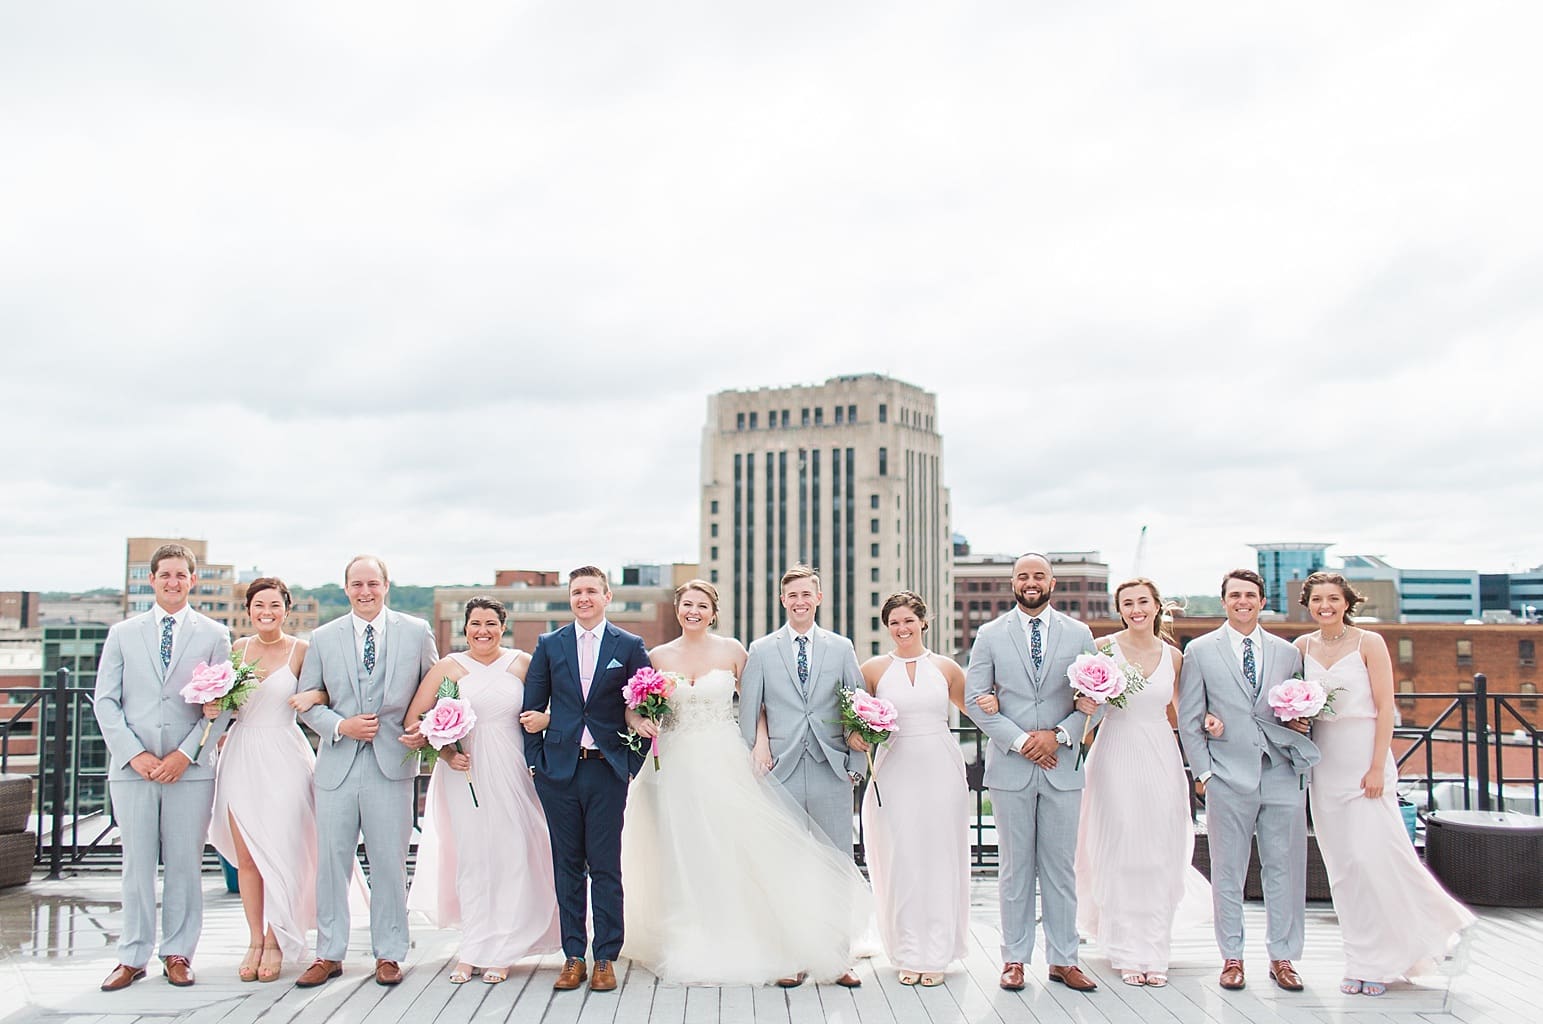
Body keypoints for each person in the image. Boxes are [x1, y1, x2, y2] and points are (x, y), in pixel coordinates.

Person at [620, 580, 872, 985]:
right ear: (678, 608)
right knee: (681, 852)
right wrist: (640, 722)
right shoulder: (658, 655)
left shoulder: (735, 650)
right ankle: (688, 934)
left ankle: (801, 943)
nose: (694, 611)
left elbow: (758, 702)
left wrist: (761, 743)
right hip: (673, 765)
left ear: (713, 612)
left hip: (723, 758)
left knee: (739, 849)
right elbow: (634, 708)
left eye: (702, 605)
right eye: (687, 604)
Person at [1297, 572, 1474, 996]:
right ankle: (1360, 959)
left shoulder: (1369, 642)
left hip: (1364, 759)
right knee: (1344, 868)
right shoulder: (1301, 647)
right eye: (1317, 599)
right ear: (1308, 604)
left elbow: (1385, 707)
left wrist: (1377, 767)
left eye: (1333, 598)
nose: (1325, 606)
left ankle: (1428, 930)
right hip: (1325, 764)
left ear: (1346, 602)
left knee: (1376, 858)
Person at [295, 555, 438, 988]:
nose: (365, 592)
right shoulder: (323, 637)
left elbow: (436, 693)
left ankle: (389, 953)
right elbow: (306, 702)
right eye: (357, 584)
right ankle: (328, 953)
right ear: (346, 588)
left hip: (392, 764)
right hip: (336, 765)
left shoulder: (416, 632)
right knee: (331, 863)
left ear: (386, 585)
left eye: (373, 583)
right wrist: (341, 726)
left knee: (390, 863)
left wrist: (425, 730)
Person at [94, 542, 232, 991]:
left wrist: (183, 755)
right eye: (165, 575)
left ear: (193, 580)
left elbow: (223, 706)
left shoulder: (214, 634)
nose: (173, 582)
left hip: (188, 770)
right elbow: (105, 701)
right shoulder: (122, 634)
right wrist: (134, 754)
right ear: (151, 580)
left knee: (184, 863)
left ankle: (178, 952)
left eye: (181, 575)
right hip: (132, 770)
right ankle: (132, 956)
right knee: (136, 864)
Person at [1068, 577, 1215, 987]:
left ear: (1156, 606)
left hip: (1161, 757)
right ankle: (1124, 949)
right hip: (1114, 754)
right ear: (1119, 610)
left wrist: (1209, 725)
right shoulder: (1102, 650)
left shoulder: (1175, 657)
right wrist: (1083, 705)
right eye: (1128, 603)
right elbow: (1081, 708)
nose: (1136, 609)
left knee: (1158, 854)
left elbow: (1187, 714)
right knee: (1120, 851)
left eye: (1143, 602)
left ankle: (1155, 950)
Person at [406, 596, 561, 984]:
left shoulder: (522, 663)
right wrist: (446, 752)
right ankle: (473, 947)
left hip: (513, 769)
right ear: (465, 627)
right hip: (465, 773)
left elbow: (560, 708)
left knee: (513, 855)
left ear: (503, 627)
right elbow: (415, 720)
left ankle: (505, 947)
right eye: (476, 623)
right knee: (474, 860)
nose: (483, 631)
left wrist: (543, 720)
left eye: (491, 623)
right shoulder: (449, 667)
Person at [1177, 569, 1318, 993]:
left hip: (1281, 772)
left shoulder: (1287, 653)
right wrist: (1205, 773)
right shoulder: (1200, 651)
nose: (1243, 601)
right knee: (1228, 870)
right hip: (1227, 775)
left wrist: (1301, 725)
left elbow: (1295, 709)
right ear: (1224, 601)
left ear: (1262, 601)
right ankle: (1232, 957)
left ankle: (1283, 957)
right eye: (1235, 595)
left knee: (1285, 869)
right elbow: (1189, 717)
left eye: (1250, 595)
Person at [964, 552, 1099, 994]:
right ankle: (1014, 960)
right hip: (1011, 767)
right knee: (1015, 869)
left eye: (1039, 575)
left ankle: (1064, 960)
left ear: (1052, 582)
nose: (1031, 582)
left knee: (1061, 869)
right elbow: (974, 699)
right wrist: (1023, 741)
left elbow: (1096, 698)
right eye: (1023, 576)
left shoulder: (1079, 634)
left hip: (1062, 766)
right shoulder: (990, 634)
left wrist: (1059, 736)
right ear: (1013, 583)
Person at [207, 577, 349, 982]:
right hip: (241, 753)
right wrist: (212, 705)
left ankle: (276, 939)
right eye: (259, 605)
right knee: (248, 856)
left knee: (281, 852)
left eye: (274, 605)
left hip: (285, 754)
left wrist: (313, 697)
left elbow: (329, 692)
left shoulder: (303, 650)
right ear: (248, 610)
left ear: (287, 610)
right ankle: (254, 939)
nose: (266, 612)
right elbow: (226, 704)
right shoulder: (238, 650)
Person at [521, 567, 650, 994]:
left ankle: (606, 956)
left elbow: (647, 705)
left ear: (607, 596)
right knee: (567, 867)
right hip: (558, 773)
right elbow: (530, 709)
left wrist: (630, 764)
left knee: (606, 866)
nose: (583, 598)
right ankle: (573, 955)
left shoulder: (628, 646)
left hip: (607, 771)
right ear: (570, 598)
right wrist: (536, 764)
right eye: (577, 591)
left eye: (591, 591)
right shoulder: (549, 644)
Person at [738, 564, 867, 989]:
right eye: (792, 595)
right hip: (781, 770)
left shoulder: (841, 647)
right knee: (786, 867)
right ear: (782, 600)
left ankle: (837, 959)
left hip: (832, 768)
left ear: (818, 598)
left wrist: (855, 766)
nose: (799, 601)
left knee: (836, 864)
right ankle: (790, 957)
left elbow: (859, 707)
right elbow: (748, 710)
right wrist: (756, 755)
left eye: (806, 594)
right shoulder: (761, 650)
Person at [857, 591, 968, 987]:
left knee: (939, 857)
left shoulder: (946, 668)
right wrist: (858, 735)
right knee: (900, 858)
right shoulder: (872, 669)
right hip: (894, 768)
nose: (902, 628)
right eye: (894, 623)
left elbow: (979, 710)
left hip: (941, 767)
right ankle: (907, 951)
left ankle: (936, 953)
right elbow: (853, 721)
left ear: (923, 622)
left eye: (908, 620)